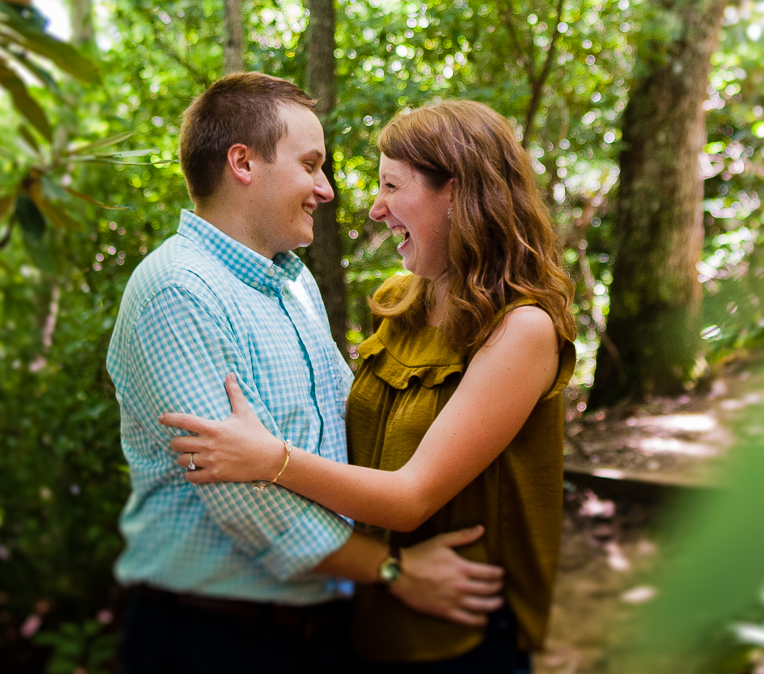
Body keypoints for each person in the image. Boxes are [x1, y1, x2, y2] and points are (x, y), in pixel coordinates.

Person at [107, 74, 506, 674]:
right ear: (243, 163)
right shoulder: (178, 290)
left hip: (317, 629)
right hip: (212, 636)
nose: (327, 189)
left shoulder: (292, 281)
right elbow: (244, 498)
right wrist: (391, 571)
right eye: (311, 164)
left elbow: (340, 440)